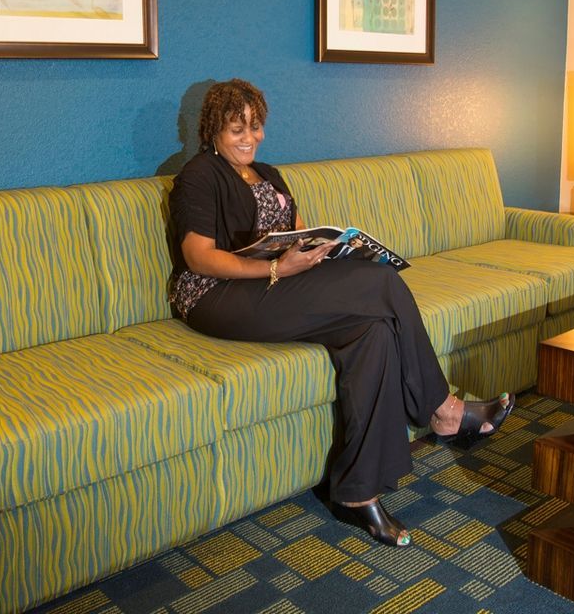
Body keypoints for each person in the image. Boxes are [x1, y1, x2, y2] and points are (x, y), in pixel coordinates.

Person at [167, 79, 514, 548]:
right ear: (213, 130)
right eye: (236, 128)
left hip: (276, 284)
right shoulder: (199, 175)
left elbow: (290, 237)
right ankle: (444, 409)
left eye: (256, 125)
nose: (250, 136)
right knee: (383, 283)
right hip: (217, 296)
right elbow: (199, 257)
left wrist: (318, 251)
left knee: (371, 330)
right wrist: (272, 267)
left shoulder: (268, 173)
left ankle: (355, 492)